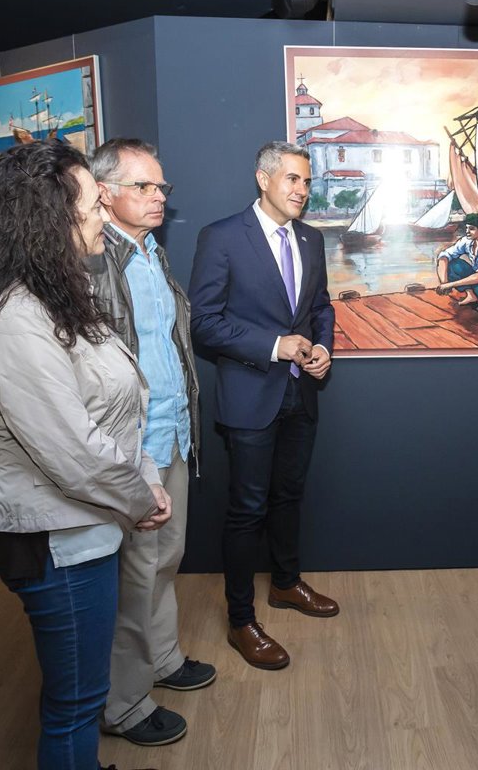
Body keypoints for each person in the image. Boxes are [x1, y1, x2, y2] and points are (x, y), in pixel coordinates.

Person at [0, 140, 172, 770]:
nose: (102, 215)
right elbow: (73, 452)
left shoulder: (56, 295)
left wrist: (141, 479)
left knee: (80, 694)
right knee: (76, 705)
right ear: (47, 221)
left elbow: (118, 406)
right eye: (93, 205)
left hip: (86, 524)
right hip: (57, 537)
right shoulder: (13, 319)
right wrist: (141, 497)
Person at [189, 140, 338, 672]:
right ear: (263, 178)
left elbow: (320, 308)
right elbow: (203, 323)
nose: (302, 190)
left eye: (307, 181)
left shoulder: (312, 239)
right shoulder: (223, 237)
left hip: (301, 393)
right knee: (247, 509)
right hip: (250, 396)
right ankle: (240, 620)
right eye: (292, 179)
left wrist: (323, 348)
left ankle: (286, 584)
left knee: (289, 496)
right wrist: (275, 346)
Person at [88, 138, 214, 747]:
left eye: (161, 186)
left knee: (166, 559)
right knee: (135, 576)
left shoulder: (151, 252)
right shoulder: (91, 262)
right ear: (103, 192)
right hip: (131, 446)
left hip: (174, 434)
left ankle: (162, 659)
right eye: (143, 186)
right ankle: (124, 703)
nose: (158, 196)